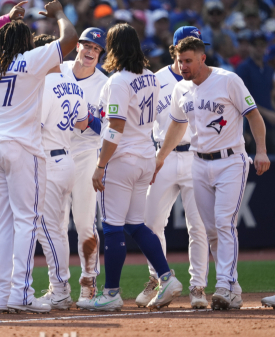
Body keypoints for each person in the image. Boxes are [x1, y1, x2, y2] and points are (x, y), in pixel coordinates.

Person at [0, 0, 78, 313]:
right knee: (27, 220)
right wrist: (58, 13)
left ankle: (4, 294)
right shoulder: (30, 60)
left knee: (3, 221)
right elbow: (70, 38)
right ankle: (21, 294)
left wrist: (4, 17)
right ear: (24, 43)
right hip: (23, 148)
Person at [155, 36, 270, 310]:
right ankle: (233, 287)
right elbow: (176, 127)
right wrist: (160, 158)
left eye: (188, 61)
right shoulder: (181, 89)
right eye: (180, 61)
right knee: (210, 229)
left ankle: (224, 285)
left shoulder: (227, 80)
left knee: (223, 222)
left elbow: (253, 115)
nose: (183, 66)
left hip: (230, 160)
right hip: (199, 161)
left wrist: (262, 150)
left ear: (202, 58)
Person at [80, 23, 183, 312]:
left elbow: (116, 127)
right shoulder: (150, 77)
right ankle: (166, 276)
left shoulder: (117, 81)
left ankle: (111, 292)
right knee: (136, 225)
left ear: (113, 48)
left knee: (112, 227)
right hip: (145, 156)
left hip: (121, 159)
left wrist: (101, 165)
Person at [136, 27, 213, 310]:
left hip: (196, 156)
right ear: (175, 50)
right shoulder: (155, 81)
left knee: (199, 227)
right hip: (163, 156)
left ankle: (198, 286)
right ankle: (158, 278)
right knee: (150, 222)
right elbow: (144, 123)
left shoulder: (209, 78)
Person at [34, 34, 89, 309]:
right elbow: (82, 123)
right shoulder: (74, 85)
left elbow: (35, 127)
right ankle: (59, 287)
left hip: (49, 163)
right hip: (66, 160)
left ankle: (61, 288)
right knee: (56, 229)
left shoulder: (42, 85)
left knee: (47, 229)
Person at [60, 27, 108, 304]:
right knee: (54, 223)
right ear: (77, 46)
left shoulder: (104, 83)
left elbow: (110, 128)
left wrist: (90, 119)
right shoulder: (59, 70)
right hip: (55, 152)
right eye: (87, 46)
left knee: (84, 222)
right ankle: (60, 286)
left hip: (86, 154)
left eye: (97, 49)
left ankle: (88, 280)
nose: (91, 52)